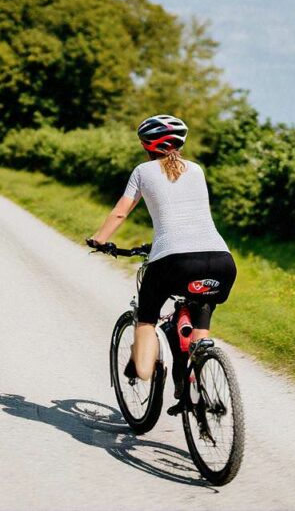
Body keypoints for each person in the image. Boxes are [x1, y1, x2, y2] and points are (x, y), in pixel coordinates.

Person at [86, 115, 236, 399]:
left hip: (173, 261)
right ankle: (196, 380)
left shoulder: (143, 171)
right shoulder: (197, 170)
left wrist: (99, 240)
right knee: (200, 319)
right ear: (180, 143)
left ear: (146, 145)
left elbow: (120, 212)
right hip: (221, 260)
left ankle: (141, 366)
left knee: (146, 319)